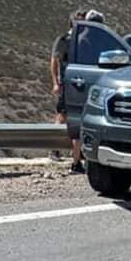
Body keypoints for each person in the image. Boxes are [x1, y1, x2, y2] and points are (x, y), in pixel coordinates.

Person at [50, 10, 86, 174]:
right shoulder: (64, 40)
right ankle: (54, 149)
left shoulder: (85, 41)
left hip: (81, 84)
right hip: (67, 83)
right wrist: (56, 83)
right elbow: (54, 61)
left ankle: (77, 155)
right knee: (62, 115)